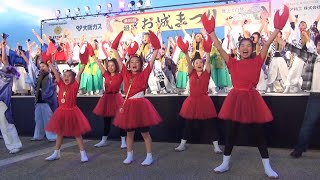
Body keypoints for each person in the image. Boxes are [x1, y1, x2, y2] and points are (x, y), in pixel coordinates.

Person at [202, 6, 289, 178]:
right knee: (231, 133)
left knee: (259, 134)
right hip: (235, 100)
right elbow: (219, 48)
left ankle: (267, 167)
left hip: (251, 99)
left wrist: (278, 28)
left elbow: (269, 42)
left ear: (253, 48)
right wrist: (211, 32)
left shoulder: (258, 60)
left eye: (249, 45)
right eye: (242, 45)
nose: (246, 47)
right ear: (238, 48)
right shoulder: (232, 62)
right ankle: (225, 163)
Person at [112, 31, 162, 166]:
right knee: (129, 133)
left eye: (137, 62)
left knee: (145, 133)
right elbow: (116, 54)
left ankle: (149, 156)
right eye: (132, 62)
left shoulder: (145, 73)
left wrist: (156, 45)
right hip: (128, 105)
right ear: (129, 64)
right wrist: (115, 44)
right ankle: (129, 155)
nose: (134, 64)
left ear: (141, 64)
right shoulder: (125, 73)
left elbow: (153, 57)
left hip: (141, 105)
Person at [45, 41, 92, 162]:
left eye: (69, 76)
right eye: (65, 75)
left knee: (77, 133)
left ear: (73, 78)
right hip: (61, 111)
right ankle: (56, 152)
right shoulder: (61, 84)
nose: (66, 77)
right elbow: (56, 73)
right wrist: (49, 62)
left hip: (72, 111)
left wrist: (83, 65)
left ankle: (83, 153)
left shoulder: (74, 86)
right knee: (60, 132)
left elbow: (80, 74)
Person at [174, 36, 222, 153]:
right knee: (188, 124)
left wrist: (207, 51)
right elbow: (189, 63)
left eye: (201, 62)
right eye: (197, 62)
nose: (199, 64)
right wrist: (185, 53)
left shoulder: (206, 73)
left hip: (205, 101)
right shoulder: (191, 73)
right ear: (194, 65)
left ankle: (216, 146)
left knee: (210, 125)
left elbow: (208, 62)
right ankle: (182, 144)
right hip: (192, 102)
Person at [290, 35, 320, 158]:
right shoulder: (313, 57)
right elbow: (296, 50)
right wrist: (279, 40)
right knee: (308, 123)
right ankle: (299, 149)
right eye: (319, 44)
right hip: (315, 95)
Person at [20, 47, 57, 142]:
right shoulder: (38, 75)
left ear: (48, 67)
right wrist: (24, 56)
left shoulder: (50, 76)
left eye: (43, 66)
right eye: (40, 67)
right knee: (38, 119)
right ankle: (38, 135)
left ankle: (52, 136)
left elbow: (52, 88)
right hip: (38, 101)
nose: (41, 68)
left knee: (48, 119)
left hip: (46, 101)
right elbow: (31, 66)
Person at [92, 57, 127, 148]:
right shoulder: (106, 75)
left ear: (116, 66)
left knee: (120, 120)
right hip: (107, 99)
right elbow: (99, 64)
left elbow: (123, 66)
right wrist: (92, 55)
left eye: (112, 65)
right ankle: (104, 140)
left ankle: (123, 141)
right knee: (106, 121)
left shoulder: (120, 75)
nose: (111, 67)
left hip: (116, 98)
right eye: (109, 65)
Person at [0, 37, 22, 154]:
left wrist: (3, 47)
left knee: (6, 123)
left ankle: (15, 145)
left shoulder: (6, 70)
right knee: (3, 126)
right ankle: (12, 145)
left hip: (3, 101)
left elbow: (5, 62)